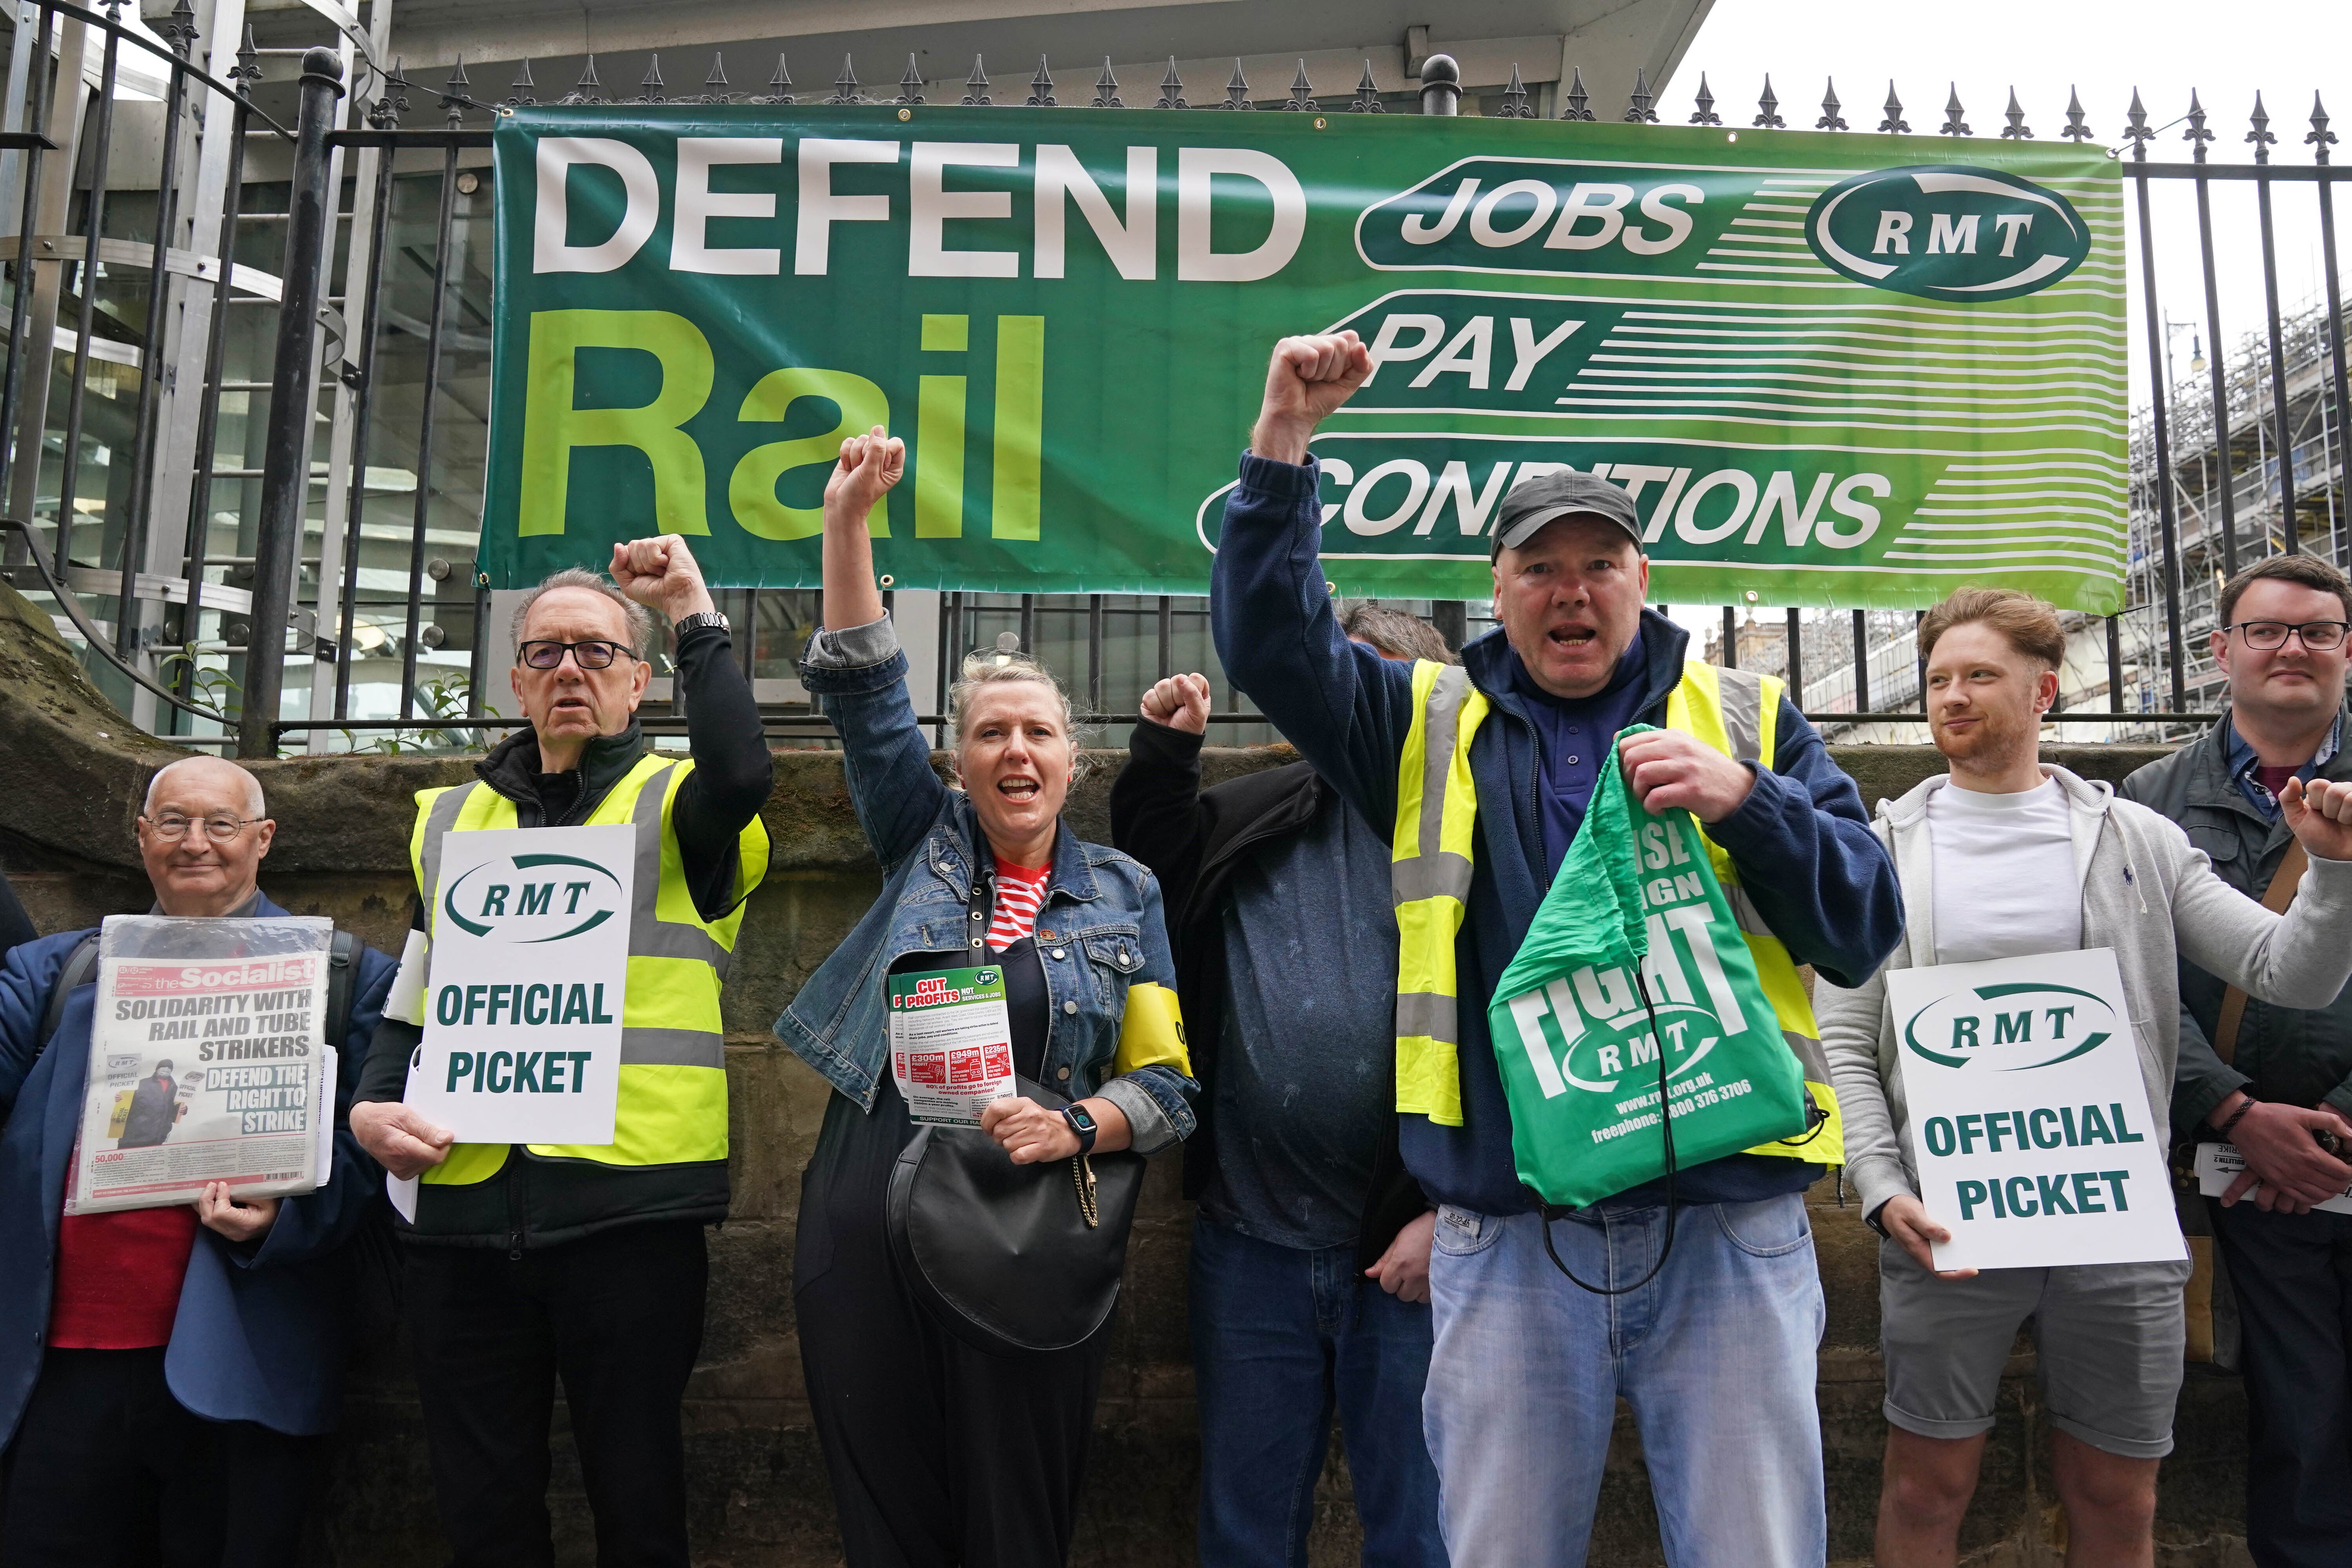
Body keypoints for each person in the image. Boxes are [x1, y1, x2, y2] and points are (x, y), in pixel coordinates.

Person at [1210, 330, 1902, 1567]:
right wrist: (1284, 440)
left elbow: (1862, 925)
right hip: (1506, 1235)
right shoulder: (1419, 721)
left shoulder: (1745, 719)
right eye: (1539, 567)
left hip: (1726, 1233)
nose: (1570, 590)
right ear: (1498, 589)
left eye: (1598, 563)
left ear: (1644, 579)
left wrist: (1747, 800)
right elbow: (1269, 643)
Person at [1816, 587, 2352, 1568]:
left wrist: (2332, 874)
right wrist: (1882, 1185)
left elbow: (2290, 972)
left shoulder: (2137, 839)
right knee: (1926, 1485)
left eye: (1980, 675)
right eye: (1939, 679)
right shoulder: (1883, 849)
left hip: (2116, 1214)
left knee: (2116, 1490)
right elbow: (1845, 1035)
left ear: (2046, 691)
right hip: (1949, 1219)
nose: (1952, 696)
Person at [775, 426, 1199, 1567]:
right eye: (988, 732)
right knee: (888, 1517)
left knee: (1016, 1518)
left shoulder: (1126, 893)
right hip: (867, 1209)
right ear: (956, 761)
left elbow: (1167, 1085)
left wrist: (1075, 1120)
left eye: (1038, 732)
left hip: (1024, 1231)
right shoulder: (921, 840)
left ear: (1074, 760)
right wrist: (847, 519)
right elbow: (865, 685)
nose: (1015, 750)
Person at [348, 538, 773, 1568]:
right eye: (546, 654)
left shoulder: (680, 807)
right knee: (482, 1508)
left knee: (638, 1500)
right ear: (514, 680)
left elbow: (745, 769)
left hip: (626, 1214)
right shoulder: (452, 817)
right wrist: (368, 1103)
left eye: (596, 652)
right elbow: (420, 982)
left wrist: (692, 612)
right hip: (461, 1208)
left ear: (638, 679)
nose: (570, 672)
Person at [1109, 600, 1455, 1568]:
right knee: (1246, 1535)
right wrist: (1165, 754)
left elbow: (1515, 1040)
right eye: (1328, 672)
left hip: (1413, 1254)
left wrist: (1449, 1214)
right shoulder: (1248, 812)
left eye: (1371, 676)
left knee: (1420, 1535)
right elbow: (1147, 875)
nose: (1341, 696)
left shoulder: (1467, 838)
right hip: (1250, 1247)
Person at [0, 755, 397, 1567]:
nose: (196, 843)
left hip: (238, 1365)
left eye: (221, 823)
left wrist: (287, 1216)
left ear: (264, 838)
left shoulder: (345, 976)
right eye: (174, 821)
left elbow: (375, 1145)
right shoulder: (53, 971)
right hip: (58, 1366)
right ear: (142, 836)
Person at [2117, 553, 2352, 1566]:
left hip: (2328, 1140)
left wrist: (2337, 1123)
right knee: (2303, 1424)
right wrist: (2233, 1113)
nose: (2291, 647)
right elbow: (2125, 984)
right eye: (2267, 630)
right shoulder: (2147, 800)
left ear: (2349, 649)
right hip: (2248, 1173)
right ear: (2222, 652)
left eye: (2315, 630)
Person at [118, 1059, 182, 1148]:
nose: (167, 1069)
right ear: (157, 1069)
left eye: (170, 1068)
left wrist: (183, 1109)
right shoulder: (142, 1083)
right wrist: (121, 1098)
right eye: (164, 1067)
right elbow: (127, 1099)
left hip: (159, 1134)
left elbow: (176, 1108)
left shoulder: (175, 1088)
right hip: (136, 1133)